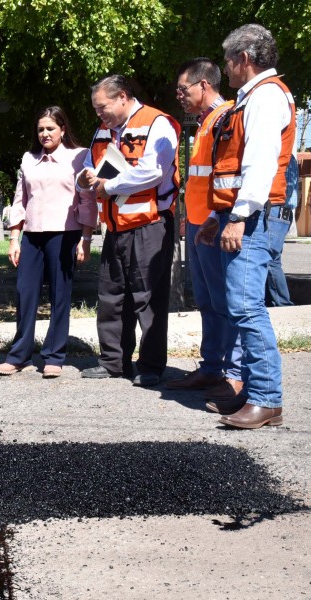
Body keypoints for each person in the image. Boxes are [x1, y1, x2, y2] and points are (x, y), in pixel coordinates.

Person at [197, 24, 295, 428]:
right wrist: (217, 218)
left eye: (228, 60)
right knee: (241, 306)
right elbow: (234, 170)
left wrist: (237, 217)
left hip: (254, 217)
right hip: (240, 216)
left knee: (245, 306)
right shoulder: (251, 98)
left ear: (243, 59)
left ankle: (266, 399)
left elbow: (259, 162)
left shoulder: (266, 97)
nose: (226, 67)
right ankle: (256, 396)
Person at [78, 74, 181, 387]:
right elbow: (87, 165)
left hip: (150, 225)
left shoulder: (156, 123)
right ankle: (113, 362)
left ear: (122, 96)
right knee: (111, 296)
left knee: (147, 298)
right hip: (116, 225)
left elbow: (154, 171)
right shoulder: (104, 130)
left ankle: (150, 366)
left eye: (103, 108)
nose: (100, 115)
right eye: (97, 110)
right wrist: (84, 180)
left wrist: (109, 185)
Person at [0, 106, 97, 378]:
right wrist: (14, 238)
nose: (45, 134)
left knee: (59, 295)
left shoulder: (79, 157)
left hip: (65, 235)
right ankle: (19, 355)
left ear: (63, 129)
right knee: (25, 293)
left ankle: (54, 356)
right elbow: (20, 200)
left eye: (50, 128)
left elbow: (87, 200)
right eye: (40, 129)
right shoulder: (29, 158)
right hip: (32, 236)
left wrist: (85, 239)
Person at [165, 59, 243, 397]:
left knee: (226, 302)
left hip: (214, 224)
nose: (179, 95)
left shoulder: (226, 117)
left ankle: (232, 374)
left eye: (183, 89)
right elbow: (201, 178)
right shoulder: (205, 122)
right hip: (199, 224)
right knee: (208, 301)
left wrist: (214, 218)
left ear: (203, 86)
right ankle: (212, 368)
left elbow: (228, 176)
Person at [265, 153, 299, 307]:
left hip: (276, 210)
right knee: (268, 258)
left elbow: (286, 189)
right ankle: (273, 302)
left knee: (269, 258)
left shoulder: (281, 154)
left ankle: (282, 304)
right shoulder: (286, 155)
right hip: (278, 211)